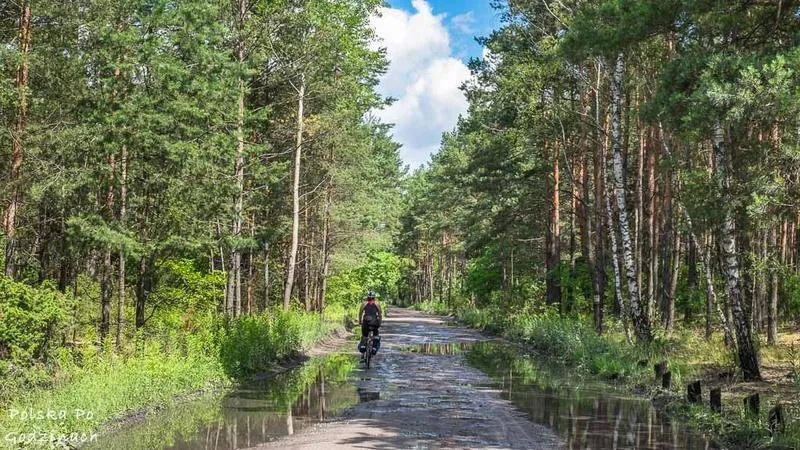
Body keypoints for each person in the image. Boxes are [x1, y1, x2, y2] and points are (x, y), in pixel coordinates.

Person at [358, 290, 382, 360]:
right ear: (374, 297)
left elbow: (360, 313)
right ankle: (374, 348)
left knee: (364, 336)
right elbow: (380, 314)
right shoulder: (377, 303)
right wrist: (379, 323)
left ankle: (363, 353)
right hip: (375, 323)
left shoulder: (364, 303)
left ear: (367, 297)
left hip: (366, 322)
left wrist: (360, 321)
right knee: (375, 336)